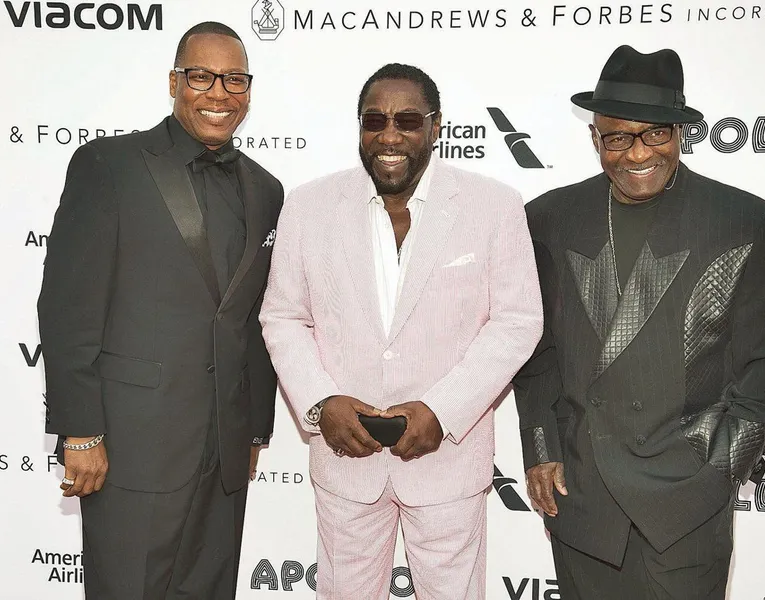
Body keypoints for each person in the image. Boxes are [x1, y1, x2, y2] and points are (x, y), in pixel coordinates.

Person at [513, 44, 765, 599]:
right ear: (595, 138)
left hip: (686, 503)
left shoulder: (745, 221)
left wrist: (717, 476)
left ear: (680, 133)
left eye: (655, 134)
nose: (638, 153)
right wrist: (542, 449)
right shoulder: (548, 218)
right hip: (584, 498)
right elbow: (537, 351)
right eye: (618, 138)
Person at [259, 63, 542, 600]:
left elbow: (517, 321)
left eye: (408, 121)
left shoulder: (493, 206)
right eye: (375, 121)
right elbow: (283, 316)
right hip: (346, 459)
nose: (389, 136)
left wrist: (443, 410)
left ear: (437, 126)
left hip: (447, 463)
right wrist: (321, 403)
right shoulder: (308, 206)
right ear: (359, 127)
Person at [37, 21, 283, 599]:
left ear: (249, 90)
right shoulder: (110, 165)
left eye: (235, 79)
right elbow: (67, 307)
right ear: (174, 83)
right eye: (201, 77)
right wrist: (80, 431)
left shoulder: (267, 189)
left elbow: (253, 319)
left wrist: (253, 430)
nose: (219, 93)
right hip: (132, 445)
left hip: (223, 453)